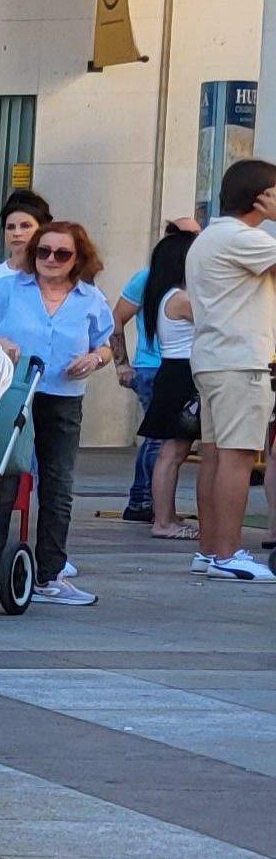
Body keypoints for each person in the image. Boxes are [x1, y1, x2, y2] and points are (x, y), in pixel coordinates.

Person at [0, 217, 115, 604]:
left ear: (78, 258)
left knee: (58, 484)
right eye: (43, 251)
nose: (51, 259)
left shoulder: (91, 298)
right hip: (13, 392)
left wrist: (94, 359)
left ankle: (50, 574)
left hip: (63, 395)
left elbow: (107, 345)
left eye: (62, 253)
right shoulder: (8, 288)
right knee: (1, 477)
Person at [184, 158, 276, 580]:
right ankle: (227, 554)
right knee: (237, 459)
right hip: (241, 361)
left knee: (215, 458)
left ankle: (210, 550)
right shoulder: (243, 238)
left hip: (214, 359)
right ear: (261, 197)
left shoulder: (210, 237)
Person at [142, 255, 201, 539]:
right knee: (173, 451)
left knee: (173, 450)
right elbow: (218, 321)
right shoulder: (181, 298)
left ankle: (166, 516)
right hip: (182, 373)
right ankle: (163, 521)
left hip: (175, 372)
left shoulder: (166, 295)